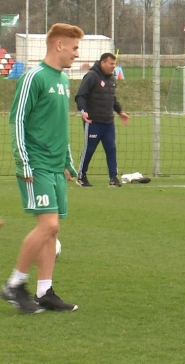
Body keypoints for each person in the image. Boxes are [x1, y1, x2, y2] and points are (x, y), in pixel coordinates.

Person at [2, 23, 84, 314]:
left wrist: (67, 161)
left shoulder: (63, 80)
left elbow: (59, 125)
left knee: (53, 230)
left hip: (54, 165)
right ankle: (14, 284)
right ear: (59, 45)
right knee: (47, 225)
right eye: (74, 48)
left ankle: (44, 291)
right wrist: (23, 160)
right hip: (35, 164)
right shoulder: (33, 77)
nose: (77, 54)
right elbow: (17, 121)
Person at [74, 52, 130, 187]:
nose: (113, 67)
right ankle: (81, 176)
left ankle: (113, 178)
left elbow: (112, 98)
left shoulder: (112, 79)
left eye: (114, 64)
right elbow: (80, 96)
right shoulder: (91, 76)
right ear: (103, 63)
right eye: (111, 64)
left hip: (108, 122)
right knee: (90, 149)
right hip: (93, 121)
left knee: (111, 148)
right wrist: (83, 111)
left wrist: (120, 111)